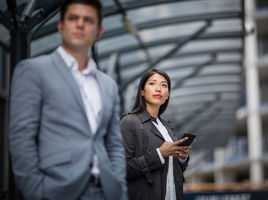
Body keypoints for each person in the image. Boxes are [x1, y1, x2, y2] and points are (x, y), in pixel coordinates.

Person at [9, 0, 127, 199]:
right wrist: (36, 191)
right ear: (60, 26)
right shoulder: (34, 71)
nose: (80, 24)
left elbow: (114, 143)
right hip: (57, 190)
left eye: (88, 20)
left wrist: (119, 187)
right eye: (73, 18)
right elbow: (21, 137)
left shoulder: (108, 84)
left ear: (98, 32)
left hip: (106, 191)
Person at [120, 68, 193, 200]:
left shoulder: (167, 127)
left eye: (164, 85)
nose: (158, 88)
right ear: (142, 91)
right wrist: (159, 154)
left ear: (167, 95)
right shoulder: (130, 122)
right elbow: (122, 168)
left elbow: (173, 170)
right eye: (152, 83)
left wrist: (182, 157)